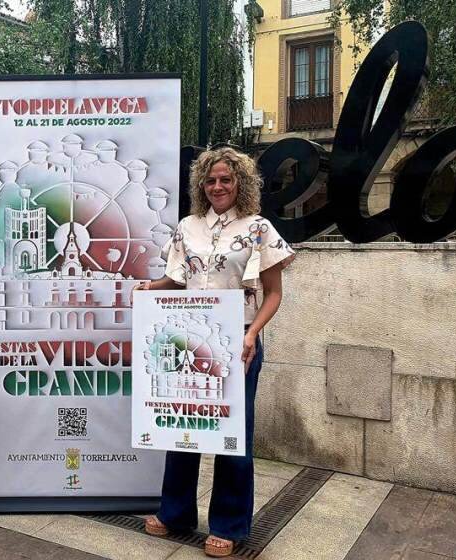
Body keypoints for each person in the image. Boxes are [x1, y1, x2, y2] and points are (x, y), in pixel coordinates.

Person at [134, 147, 294, 558]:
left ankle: (230, 525)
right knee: (181, 425)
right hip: (187, 340)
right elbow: (174, 277)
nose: (218, 186)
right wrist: (148, 289)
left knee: (233, 436)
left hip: (238, 343)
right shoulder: (187, 227)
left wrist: (253, 333)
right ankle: (175, 513)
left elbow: (273, 293)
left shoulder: (259, 229)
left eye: (226, 179)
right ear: (201, 186)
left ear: (240, 182)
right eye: (210, 180)